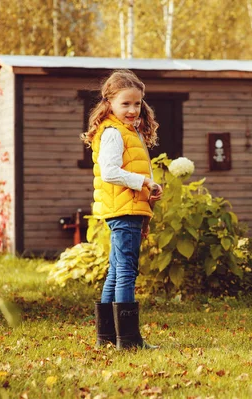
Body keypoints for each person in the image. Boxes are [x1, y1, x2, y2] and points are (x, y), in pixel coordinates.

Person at [81, 69, 163, 350]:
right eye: (125, 103)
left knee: (116, 271)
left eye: (137, 103)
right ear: (110, 103)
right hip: (122, 209)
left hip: (126, 208)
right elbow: (110, 172)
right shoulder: (114, 132)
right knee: (126, 271)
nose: (132, 109)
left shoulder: (128, 131)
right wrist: (144, 182)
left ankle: (106, 338)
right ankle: (127, 341)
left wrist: (148, 192)